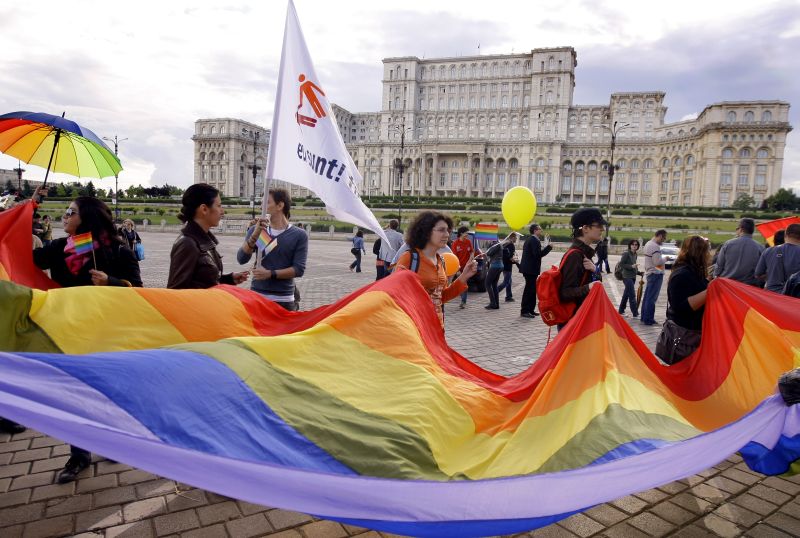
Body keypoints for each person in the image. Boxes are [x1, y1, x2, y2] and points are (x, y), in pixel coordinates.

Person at [33, 196, 142, 484]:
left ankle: (110, 441)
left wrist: (111, 283)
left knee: (106, 394)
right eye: (66, 211)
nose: (65, 216)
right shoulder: (59, 248)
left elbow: (139, 291)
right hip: (68, 332)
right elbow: (23, 254)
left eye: (71, 212)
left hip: (106, 334)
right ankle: (79, 454)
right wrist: (29, 208)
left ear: (88, 218)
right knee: (74, 396)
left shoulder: (117, 250)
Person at [395, 211, 477, 328]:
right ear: (426, 232)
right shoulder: (410, 259)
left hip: (437, 328)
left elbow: (441, 297)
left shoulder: (440, 261)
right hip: (415, 329)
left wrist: (464, 276)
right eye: (441, 230)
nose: (447, 234)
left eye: (447, 230)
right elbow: (396, 296)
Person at [237, 188, 308, 311]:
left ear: (280, 205)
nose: (261, 207)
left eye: (266, 203)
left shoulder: (299, 235)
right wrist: (254, 235)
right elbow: (241, 259)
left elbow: (298, 269)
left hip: (284, 300)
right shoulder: (258, 230)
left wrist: (270, 274)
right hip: (257, 297)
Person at [168, 183, 249, 289]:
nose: (222, 211)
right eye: (219, 206)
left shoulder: (204, 240)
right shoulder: (187, 244)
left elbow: (202, 281)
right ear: (204, 209)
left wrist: (229, 279)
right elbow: (176, 292)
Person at [657, 236, 710, 364]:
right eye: (706, 251)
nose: (708, 254)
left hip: (692, 335)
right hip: (684, 338)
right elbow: (681, 307)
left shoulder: (695, 272)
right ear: (698, 253)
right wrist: (710, 291)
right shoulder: (682, 274)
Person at [558, 208, 605, 329]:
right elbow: (565, 293)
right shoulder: (575, 255)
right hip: (572, 323)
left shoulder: (585, 253)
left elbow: (594, 282)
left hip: (581, 319)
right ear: (585, 228)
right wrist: (589, 287)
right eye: (599, 225)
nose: (602, 229)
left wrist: (595, 271)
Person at [714, 218, 764, 286]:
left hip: (727, 285)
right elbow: (761, 271)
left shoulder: (728, 244)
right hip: (749, 287)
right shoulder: (760, 247)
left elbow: (719, 266)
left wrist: (716, 277)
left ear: (741, 229)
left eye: (737, 228)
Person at [519, 223, 552, 318]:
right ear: (535, 231)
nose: (541, 230)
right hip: (530, 269)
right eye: (539, 229)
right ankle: (525, 310)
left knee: (532, 289)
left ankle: (530, 309)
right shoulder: (533, 240)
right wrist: (549, 248)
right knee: (529, 290)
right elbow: (537, 254)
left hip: (530, 269)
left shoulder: (533, 239)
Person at [755, 224, 800, 293]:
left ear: (785, 235)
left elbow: (758, 274)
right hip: (793, 297)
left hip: (771, 295)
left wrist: (771, 277)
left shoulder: (768, 251)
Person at [641, 229, 668, 326]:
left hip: (650, 272)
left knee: (647, 297)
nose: (663, 241)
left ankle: (644, 317)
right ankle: (648, 319)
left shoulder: (648, 243)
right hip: (655, 274)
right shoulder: (655, 246)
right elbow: (657, 262)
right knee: (652, 298)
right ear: (660, 236)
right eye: (663, 238)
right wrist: (665, 259)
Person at [451, 226, 481, 309]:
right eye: (466, 233)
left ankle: (463, 301)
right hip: (459, 267)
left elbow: (472, 252)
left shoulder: (468, 242)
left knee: (464, 283)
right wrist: (457, 269)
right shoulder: (455, 243)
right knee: (460, 283)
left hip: (467, 268)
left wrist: (471, 258)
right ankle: (461, 299)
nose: (467, 234)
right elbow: (454, 257)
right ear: (461, 233)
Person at [484, 235, 512, 310]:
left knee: (487, 283)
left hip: (495, 266)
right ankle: (496, 304)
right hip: (499, 266)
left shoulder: (496, 244)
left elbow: (489, 253)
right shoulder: (498, 244)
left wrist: (488, 247)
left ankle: (493, 303)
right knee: (494, 284)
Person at [618, 239, 641, 318]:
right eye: (633, 244)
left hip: (633, 277)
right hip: (626, 277)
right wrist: (631, 266)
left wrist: (639, 273)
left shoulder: (635, 254)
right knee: (632, 295)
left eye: (636, 245)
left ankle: (621, 310)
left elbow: (634, 266)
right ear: (630, 245)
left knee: (626, 294)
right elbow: (621, 264)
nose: (634, 246)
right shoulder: (626, 254)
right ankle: (635, 313)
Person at [497, 233, 519, 303]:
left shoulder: (505, 244)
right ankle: (495, 292)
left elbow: (505, 256)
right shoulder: (511, 245)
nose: (516, 239)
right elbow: (509, 257)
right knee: (506, 282)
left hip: (504, 265)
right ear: (512, 237)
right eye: (515, 238)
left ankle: (508, 296)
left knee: (509, 281)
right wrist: (515, 260)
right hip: (507, 266)